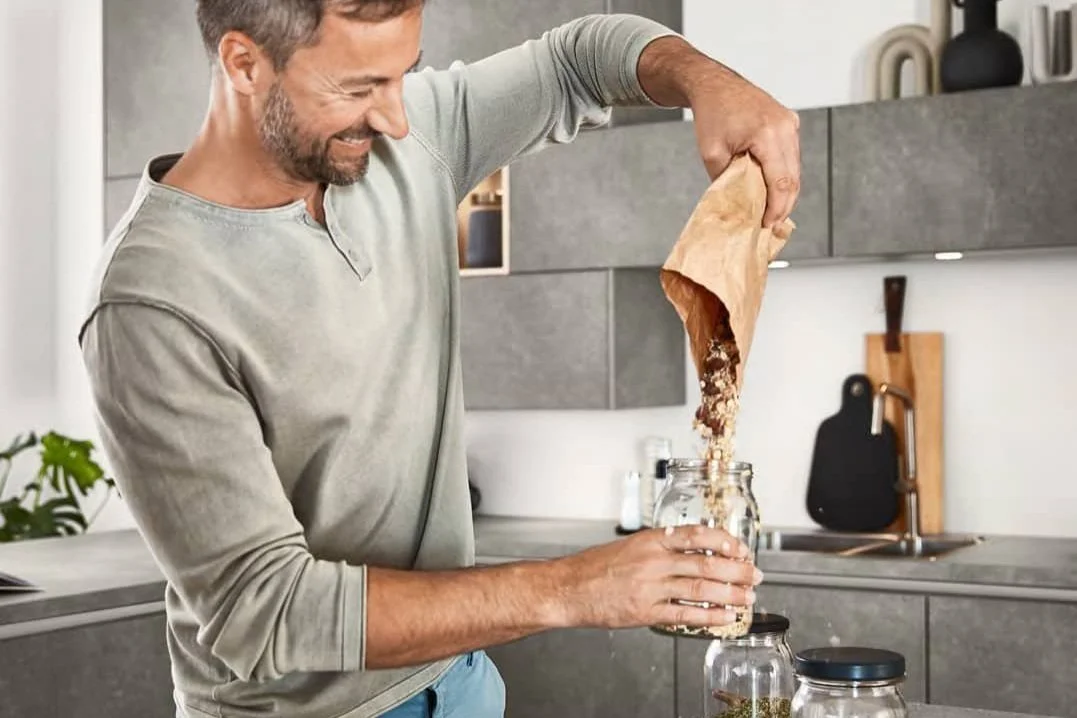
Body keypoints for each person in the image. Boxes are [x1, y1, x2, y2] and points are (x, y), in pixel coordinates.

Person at [78, 2, 801, 717]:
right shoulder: (151, 298)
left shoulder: (406, 138)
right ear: (243, 63)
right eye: (359, 88)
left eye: (404, 76)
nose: (395, 118)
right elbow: (266, 612)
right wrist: (575, 588)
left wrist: (708, 80)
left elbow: (578, 58)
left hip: (461, 686)